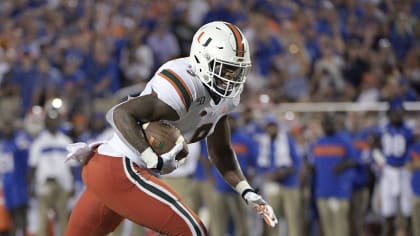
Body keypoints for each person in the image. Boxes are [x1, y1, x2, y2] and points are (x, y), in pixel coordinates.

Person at [65, 21, 278, 236]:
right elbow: (120, 113)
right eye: (227, 69)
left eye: (237, 71)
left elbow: (220, 152)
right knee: (192, 230)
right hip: (120, 167)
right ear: (203, 60)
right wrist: (151, 158)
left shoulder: (225, 99)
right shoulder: (184, 85)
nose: (232, 79)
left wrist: (247, 192)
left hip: (111, 172)